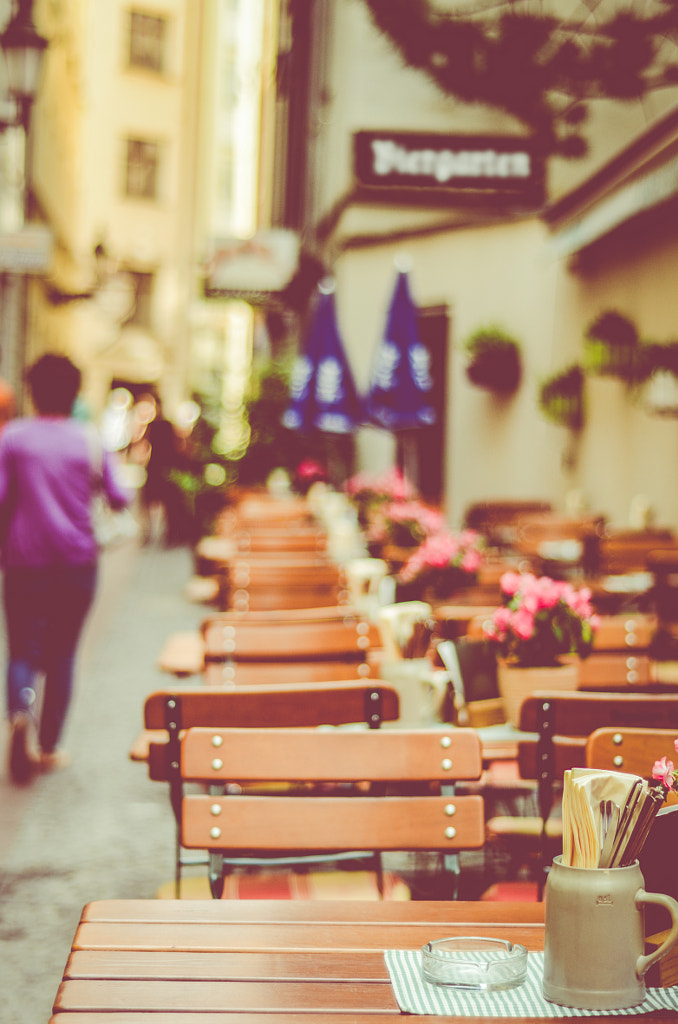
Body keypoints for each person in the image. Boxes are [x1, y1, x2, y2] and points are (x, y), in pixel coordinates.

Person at [0, 353, 131, 783]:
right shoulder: (90, 441)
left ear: (33, 391)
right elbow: (120, 497)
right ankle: (50, 746)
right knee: (62, 655)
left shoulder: (12, 438)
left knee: (22, 647)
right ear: (75, 393)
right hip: (76, 563)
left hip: (23, 562)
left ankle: (21, 711)